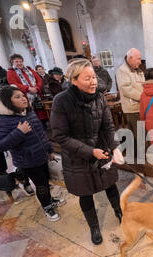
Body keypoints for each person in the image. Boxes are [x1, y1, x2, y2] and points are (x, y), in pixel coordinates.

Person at [51, 58, 124, 245]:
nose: (93, 82)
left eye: (94, 77)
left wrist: (115, 147)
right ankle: (94, 227)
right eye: (87, 78)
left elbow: (107, 126)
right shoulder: (61, 101)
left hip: (101, 150)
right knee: (85, 193)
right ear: (73, 80)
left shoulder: (99, 97)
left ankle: (119, 212)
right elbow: (61, 136)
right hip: (78, 156)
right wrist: (90, 152)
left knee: (110, 184)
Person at [0, 86, 62, 221]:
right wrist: (19, 133)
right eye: (17, 97)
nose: (23, 99)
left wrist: (50, 150)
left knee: (46, 181)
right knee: (41, 185)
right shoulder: (2, 120)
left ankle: (50, 200)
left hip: (41, 156)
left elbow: (41, 135)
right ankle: (47, 207)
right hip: (27, 160)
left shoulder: (28, 112)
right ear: (7, 101)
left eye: (23, 95)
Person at [7, 54, 48, 130]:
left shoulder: (30, 70)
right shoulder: (10, 72)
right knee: (30, 116)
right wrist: (27, 88)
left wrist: (37, 88)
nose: (19, 63)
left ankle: (43, 131)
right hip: (24, 96)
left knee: (41, 116)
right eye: (16, 62)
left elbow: (39, 80)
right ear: (12, 62)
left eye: (20, 61)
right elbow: (13, 83)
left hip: (36, 95)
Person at [116, 48, 145, 153]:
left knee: (140, 132)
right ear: (130, 58)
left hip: (140, 106)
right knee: (138, 133)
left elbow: (143, 85)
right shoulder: (122, 70)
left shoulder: (138, 70)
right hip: (132, 107)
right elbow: (126, 89)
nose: (140, 62)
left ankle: (138, 154)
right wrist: (143, 97)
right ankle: (140, 156)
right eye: (138, 59)